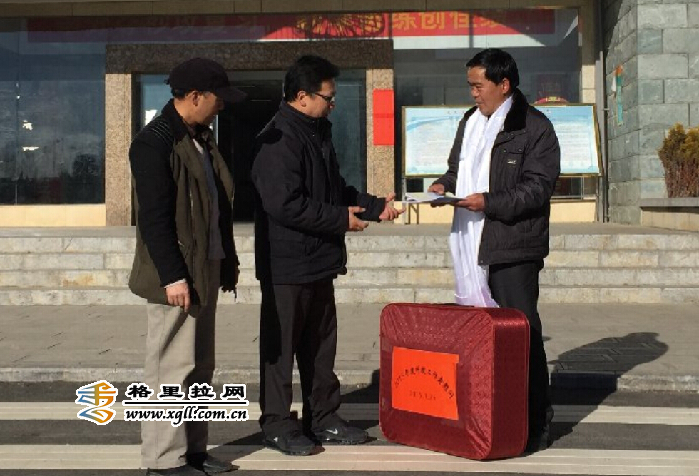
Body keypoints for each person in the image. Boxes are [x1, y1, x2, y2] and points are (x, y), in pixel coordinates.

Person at [251, 54, 403, 456]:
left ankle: (323, 417)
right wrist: (339, 220)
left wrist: (375, 207)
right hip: (287, 264)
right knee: (281, 349)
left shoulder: (316, 132)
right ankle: (277, 424)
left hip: (318, 259)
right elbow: (284, 204)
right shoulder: (277, 139)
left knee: (320, 347)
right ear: (302, 96)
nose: (332, 104)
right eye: (327, 97)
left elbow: (333, 189)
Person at [428, 48, 560, 453]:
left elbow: (537, 189)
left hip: (513, 245)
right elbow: (458, 169)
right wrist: (443, 185)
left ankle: (535, 419)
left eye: (478, 85)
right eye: (470, 86)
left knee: (522, 335)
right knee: (481, 337)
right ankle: (490, 413)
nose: (473, 93)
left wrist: (488, 202)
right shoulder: (470, 121)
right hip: (473, 242)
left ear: (504, 85)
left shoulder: (534, 127)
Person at [128, 57, 246, 476]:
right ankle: (164, 460)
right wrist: (173, 276)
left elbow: (216, 208)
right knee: (170, 368)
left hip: (205, 265)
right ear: (195, 97)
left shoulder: (201, 139)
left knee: (199, 367)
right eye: (217, 98)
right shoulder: (155, 142)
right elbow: (154, 219)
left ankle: (193, 451)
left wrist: (226, 262)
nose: (222, 105)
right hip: (177, 273)